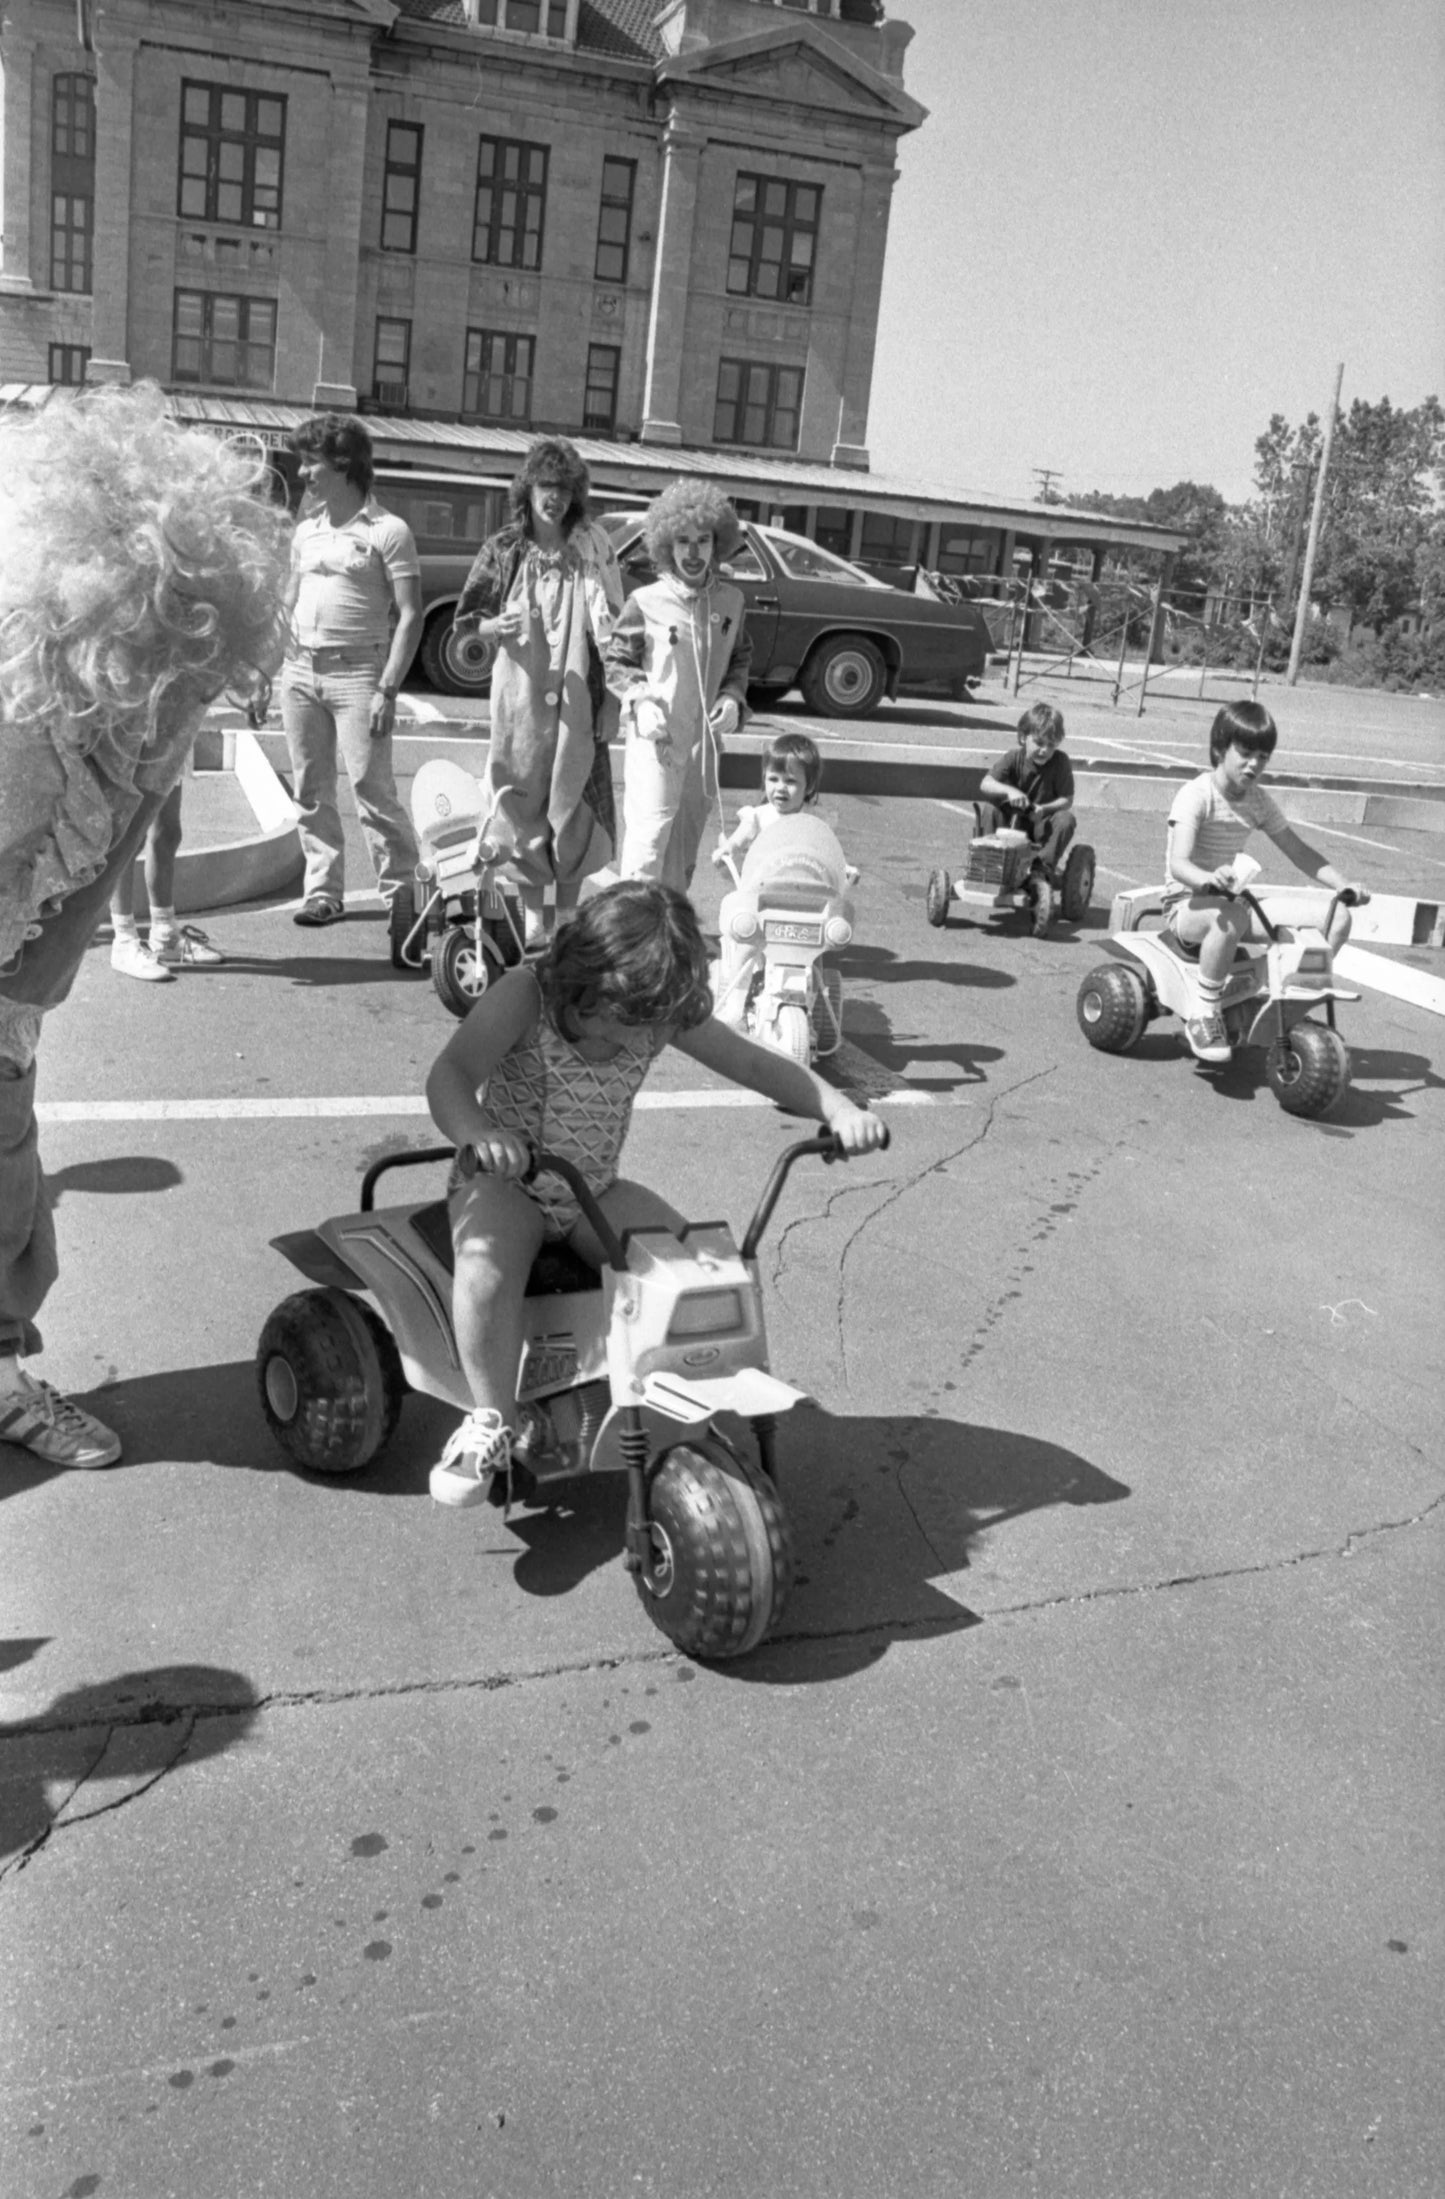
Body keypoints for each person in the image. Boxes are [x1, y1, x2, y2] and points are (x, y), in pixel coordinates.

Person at [0, 384, 289, 1469]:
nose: (180, 689)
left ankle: (1, 1381)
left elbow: (124, 832)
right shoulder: (20, 716)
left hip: (15, 984)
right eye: (162, 651)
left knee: (10, 1194)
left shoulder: (171, 678)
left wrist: (47, 975)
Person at [423, 879, 887, 1506]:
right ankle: (491, 1421)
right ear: (587, 986)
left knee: (694, 1270)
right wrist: (480, 1133)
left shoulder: (653, 1017)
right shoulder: (524, 997)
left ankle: (685, 1395)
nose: (646, 1044)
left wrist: (834, 1106)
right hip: (507, 1181)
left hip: (592, 1188)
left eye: (657, 1029)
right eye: (630, 1028)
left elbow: (752, 1061)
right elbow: (450, 1074)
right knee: (487, 1271)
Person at [451, 438, 622, 946]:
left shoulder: (593, 546)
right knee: (521, 803)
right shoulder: (503, 548)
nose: (556, 500)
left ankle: (565, 927)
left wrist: (612, 700)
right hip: (519, 698)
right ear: (528, 489)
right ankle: (533, 928)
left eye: (566, 490)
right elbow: (466, 621)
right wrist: (490, 626)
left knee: (574, 806)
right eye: (548, 487)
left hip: (579, 697)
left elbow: (617, 630)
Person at [280, 413, 422, 933]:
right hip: (299, 672)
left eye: (310, 461)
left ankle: (405, 898)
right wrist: (267, 668)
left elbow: (410, 614)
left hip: (360, 674)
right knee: (311, 788)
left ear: (342, 464)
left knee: (372, 788)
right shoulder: (306, 533)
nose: (302, 473)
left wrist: (388, 687)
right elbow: (288, 602)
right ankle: (322, 893)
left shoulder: (389, 531)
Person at [1165, 699, 1366, 1063]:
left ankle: (1289, 1000)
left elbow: (1298, 850)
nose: (1254, 764)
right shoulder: (1196, 794)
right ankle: (1204, 1011)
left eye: (1263, 756)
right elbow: (1178, 864)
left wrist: (1342, 885)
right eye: (1244, 753)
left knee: (1337, 918)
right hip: (1187, 906)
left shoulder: (1257, 801)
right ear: (1219, 749)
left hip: (1233, 903)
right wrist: (1208, 879)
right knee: (1231, 917)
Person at [606, 480, 752, 895]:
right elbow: (616, 659)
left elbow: (741, 658)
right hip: (656, 739)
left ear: (716, 544)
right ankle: (631, 931)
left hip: (703, 744)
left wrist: (733, 697)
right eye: (682, 541)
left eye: (702, 541)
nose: (692, 552)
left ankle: (669, 928)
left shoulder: (732, 602)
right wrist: (638, 698)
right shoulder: (647, 600)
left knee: (685, 842)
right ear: (666, 545)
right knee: (649, 838)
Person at [710, 732, 858, 1025]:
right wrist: (726, 849)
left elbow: (829, 852)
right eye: (773, 779)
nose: (780, 789)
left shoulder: (815, 821)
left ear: (809, 786)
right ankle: (734, 1003)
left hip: (806, 899)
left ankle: (815, 1010)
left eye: (791, 782)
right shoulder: (759, 816)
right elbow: (737, 841)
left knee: (815, 954)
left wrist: (845, 869)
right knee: (747, 947)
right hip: (764, 897)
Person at [108, 782, 224, 980]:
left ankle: (165, 934)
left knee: (167, 831)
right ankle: (124, 939)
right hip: (127, 751)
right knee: (126, 831)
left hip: (168, 750)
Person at [976, 702, 1076, 868]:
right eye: (1039, 743)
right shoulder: (1013, 758)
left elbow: (1067, 799)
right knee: (991, 809)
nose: (1044, 750)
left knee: (1065, 819)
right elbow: (986, 783)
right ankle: (990, 861)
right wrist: (1010, 792)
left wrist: (1044, 809)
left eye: (1051, 745)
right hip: (1009, 824)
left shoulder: (1060, 762)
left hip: (1039, 825)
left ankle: (1042, 867)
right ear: (1023, 737)